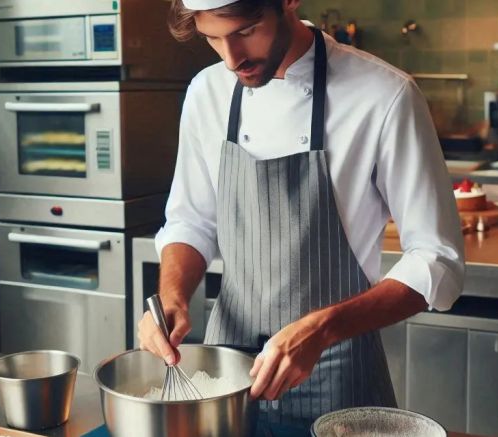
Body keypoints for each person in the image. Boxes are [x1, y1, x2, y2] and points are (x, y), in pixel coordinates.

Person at [138, 0, 465, 431]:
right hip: (228, 378)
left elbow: (436, 260)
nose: (231, 58)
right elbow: (191, 220)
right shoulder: (206, 92)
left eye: (245, 31)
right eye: (212, 39)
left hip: (340, 376)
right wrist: (174, 296)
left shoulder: (383, 95)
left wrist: (323, 328)